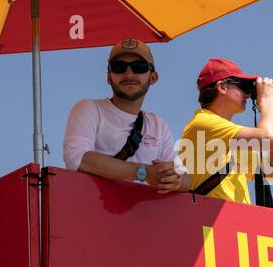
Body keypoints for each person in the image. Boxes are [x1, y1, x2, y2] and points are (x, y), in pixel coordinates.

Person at [63, 39, 188, 193]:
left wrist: (176, 180)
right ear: (109, 77)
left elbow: (185, 178)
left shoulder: (158, 125)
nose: (129, 73)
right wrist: (144, 174)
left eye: (139, 67)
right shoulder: (89, 108)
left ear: (153, 77)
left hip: (143, 214)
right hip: (94, 212)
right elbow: (78, 159)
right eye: (119, 67)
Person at [178, 58, 273, 205]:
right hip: (210, 225)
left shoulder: (229, 136)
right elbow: (270, 139)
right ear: (222, 87)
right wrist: (267, 103)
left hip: (230, 224)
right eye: (243, 86)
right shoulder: (203, 123)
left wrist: (270, 109)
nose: (248, 94)